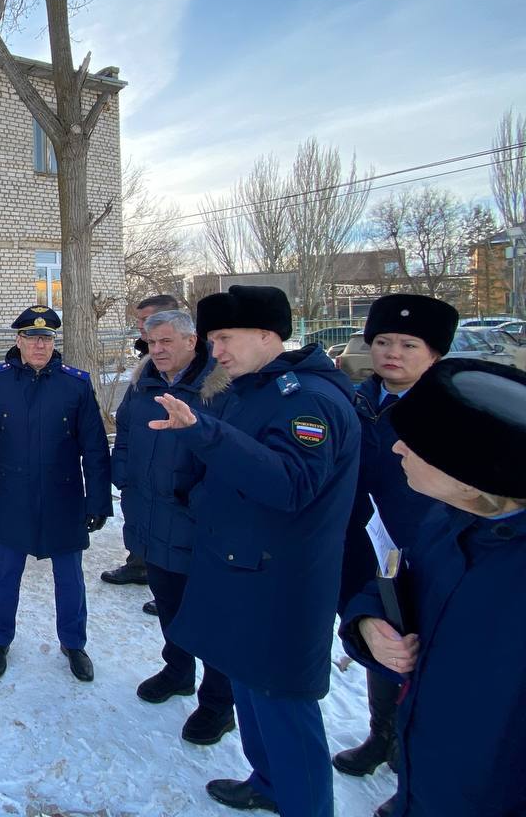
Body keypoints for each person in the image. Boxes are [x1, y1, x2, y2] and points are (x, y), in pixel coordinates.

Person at [149, 285, 359, 817]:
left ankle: (304, 804)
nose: (214, 350)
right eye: (213, 338)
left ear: (268, 335)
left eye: (225, 338)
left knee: (283, 708)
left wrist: (204, 432)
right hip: (239, 571)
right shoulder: (251, 389)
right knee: (249, 691)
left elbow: (289, 484)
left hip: (279, 586)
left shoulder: (307, 399)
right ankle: (267, 782)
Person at [339, 358, 526, 817]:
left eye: (418, 445)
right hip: (426, 781)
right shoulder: (451, 520)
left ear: (470, 473)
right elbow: (398, 582)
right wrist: (368, 624)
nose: (398, 448)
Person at [334, 294, 458, 808]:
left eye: (409, 345)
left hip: (434, 554)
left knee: (426, 665)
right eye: (383, 341)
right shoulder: (358, 402)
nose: (393, 353)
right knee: (381, 647)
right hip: (369, 550)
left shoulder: (452, 410)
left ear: (433, 354)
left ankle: (415, 774)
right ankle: (381, 736)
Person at [0, 305, 111, 682]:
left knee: (70, 578)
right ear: (18, 340)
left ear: (53, 342)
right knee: (5, 574)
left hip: (63, 499)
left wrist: (97, 500)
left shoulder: (75, 384)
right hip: (10, 497)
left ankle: (74, 643)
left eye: (46, 338)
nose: (39, 345)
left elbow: (94, 448)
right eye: (32, 338)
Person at [112, 308, 235, 744]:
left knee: (211, 615)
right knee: (168, 603)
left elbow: (229, 455)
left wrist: (193, 496)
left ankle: (219, 703)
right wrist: (121, 469)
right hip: (149, 514)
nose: (156, 350)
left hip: (197, 523)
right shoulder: (142, 383)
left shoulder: (217, 387)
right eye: (151, 342)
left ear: (191, 341)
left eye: (166, 342)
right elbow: (125, 431)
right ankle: (178, 670)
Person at [102, 293, 180, 588]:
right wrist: (120, 462)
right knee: (137, 513)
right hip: (138, 463)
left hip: (169, 466)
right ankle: (138, 564)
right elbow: (127, 419)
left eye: (145, 320)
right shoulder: (144, 365)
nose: (139, 327)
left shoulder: (184, 365)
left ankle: (170, 584)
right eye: (139, 321)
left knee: (170, 524)